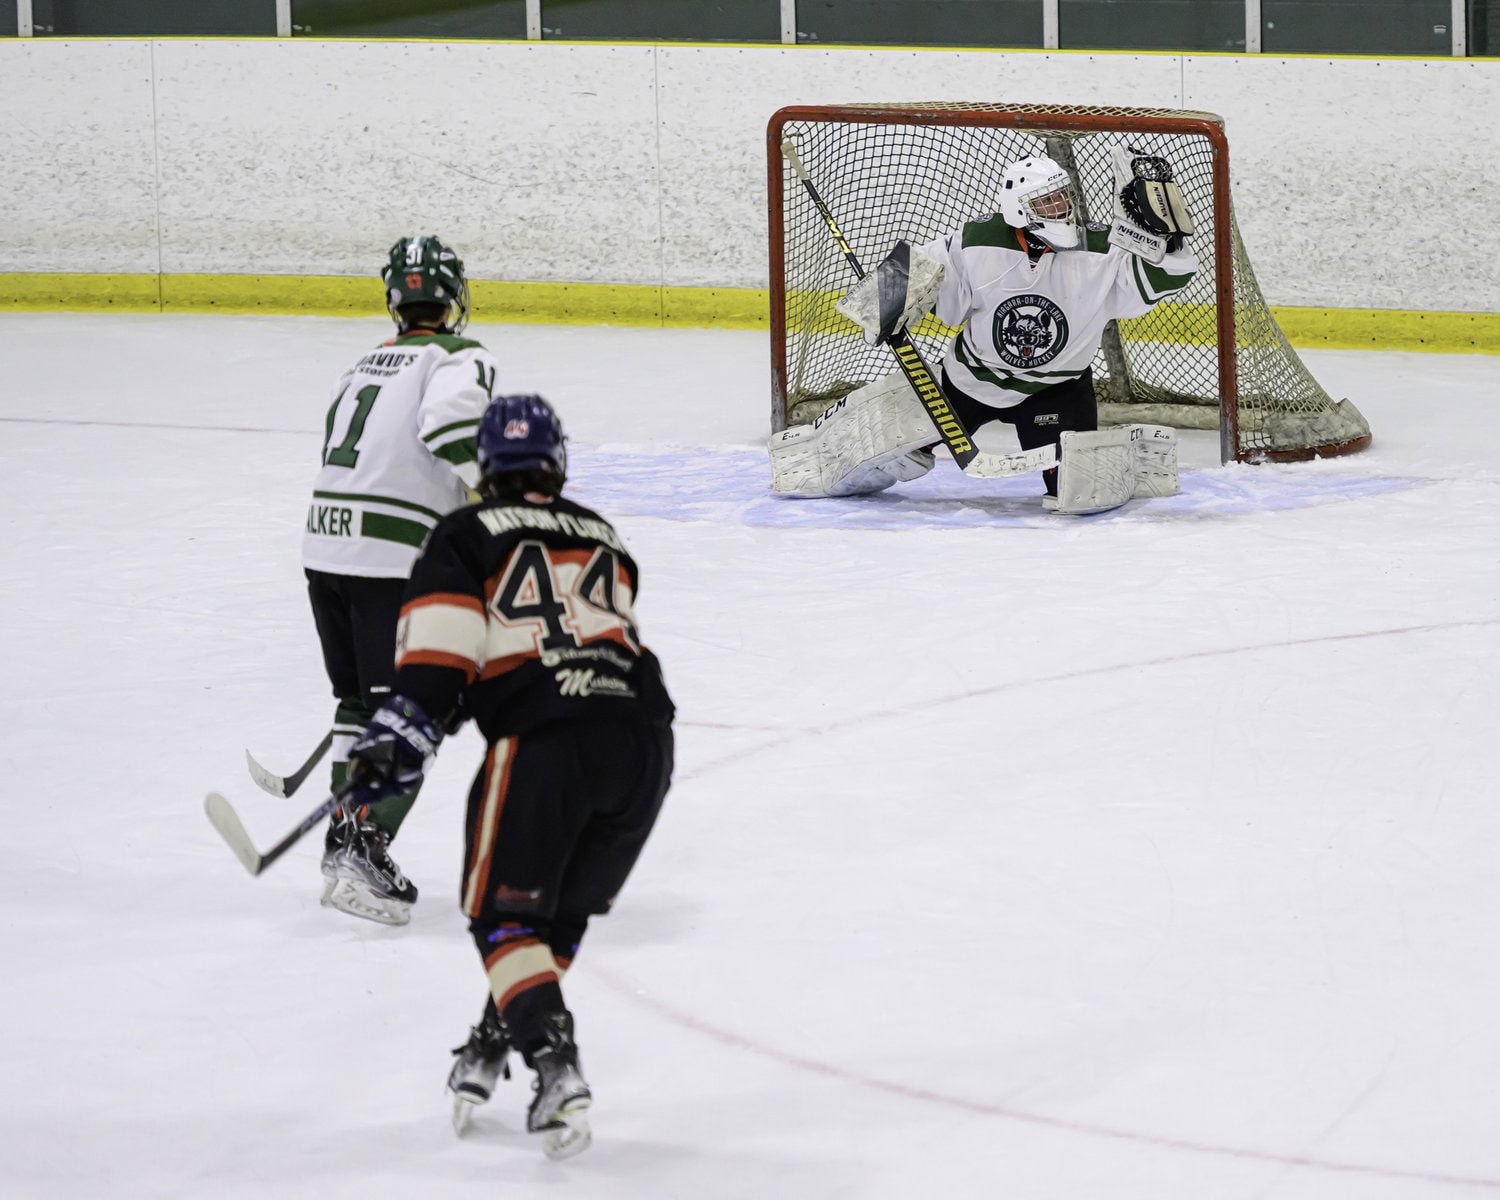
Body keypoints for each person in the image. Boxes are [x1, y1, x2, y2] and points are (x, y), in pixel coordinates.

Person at [340, 393, 675, 1160]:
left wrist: (399, 734)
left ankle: (555, 1066)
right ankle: (496, 1037)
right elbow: (577, 630)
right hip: (644, 740)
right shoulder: (604, 533)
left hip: (547, 741)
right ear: (556, 462)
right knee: (555, 919)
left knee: (505, 919)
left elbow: (441, 657)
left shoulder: (463, 534)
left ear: (486, 466)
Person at [769, 148, 1198, 513]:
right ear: (1021, 210)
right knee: (893, 455)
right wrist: (882, 305)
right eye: (1047, 203)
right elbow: (922, 265)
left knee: (1076, 488)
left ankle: (1129, 457)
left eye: (1063, 198)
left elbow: (1166, 278)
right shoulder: (978, 241)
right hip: (970, 381)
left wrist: (1170, 244)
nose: (1062, 209)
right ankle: (818, 455)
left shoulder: (1102, 250)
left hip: (1057, 390)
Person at [302, 234, 500, 925]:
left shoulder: (362, 364)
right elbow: (450, 425)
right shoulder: (458, 355)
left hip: (325, 552)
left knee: (359, 704)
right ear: (452, 301)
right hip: (390, 561)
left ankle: (342, 840)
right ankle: (363, 844)